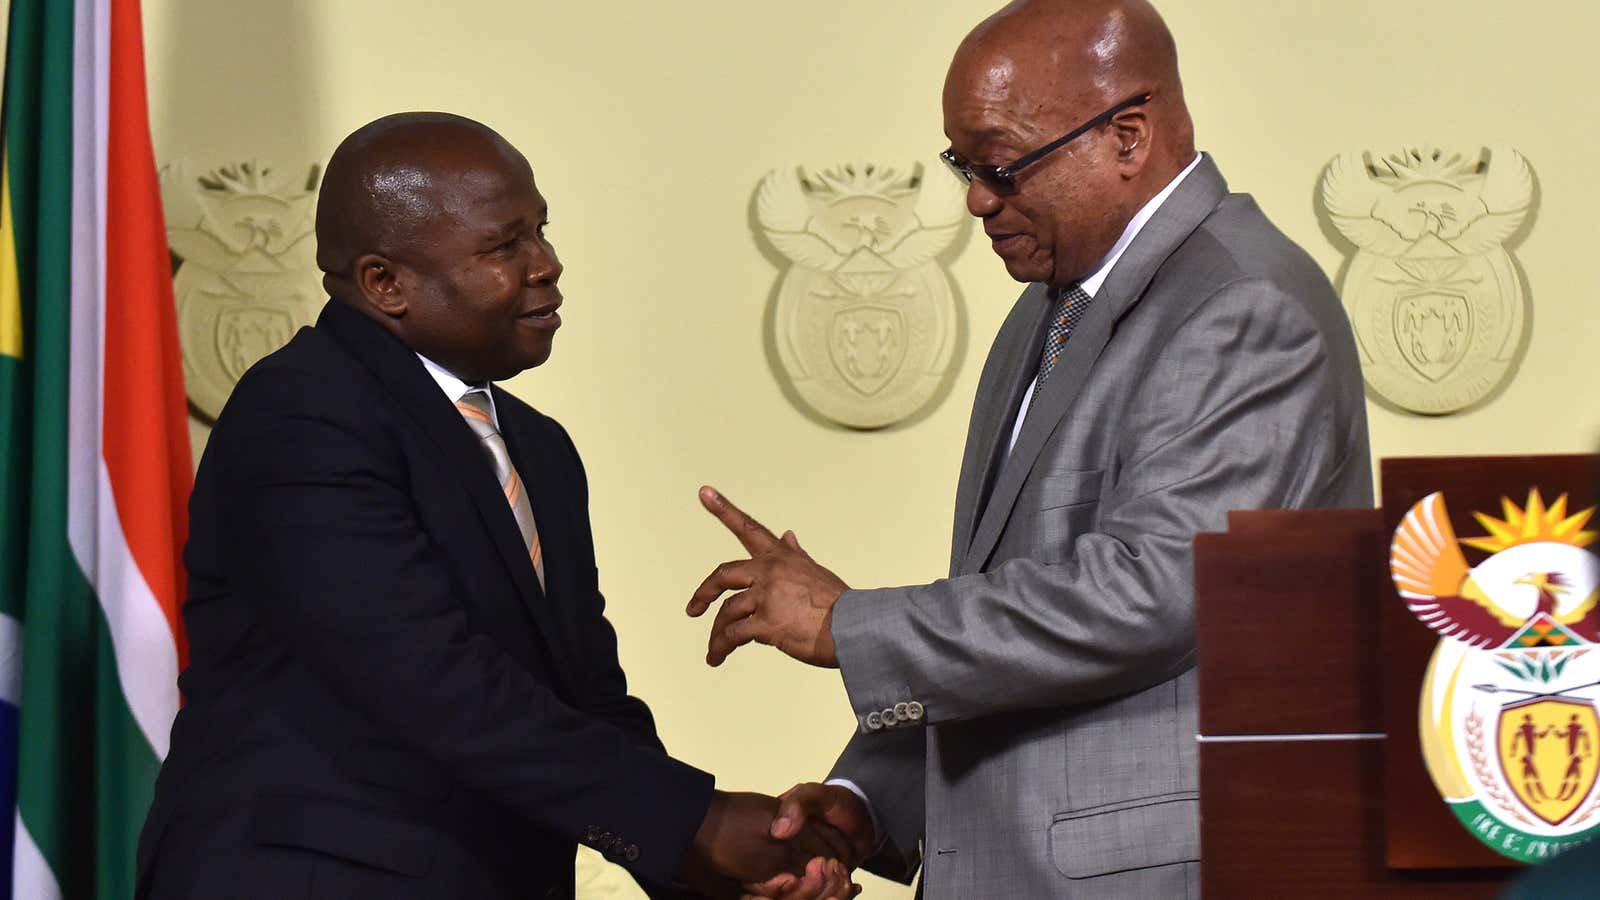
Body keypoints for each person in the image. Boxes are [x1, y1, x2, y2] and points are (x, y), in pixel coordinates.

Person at [689, 1, 1373, 897]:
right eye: (963, 166)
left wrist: (848, 625)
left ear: (1128, 136)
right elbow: (1008, 600)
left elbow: (1153, 592)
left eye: (1002, 166)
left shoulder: (1244, 306)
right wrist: (873, 798)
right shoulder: (1046, 310)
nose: (976, 199)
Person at [135, 113, 854, 900]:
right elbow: (433, 680)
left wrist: (700, 869)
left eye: (541, 231)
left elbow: (581, 697)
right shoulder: (302, 415)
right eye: (504, 246)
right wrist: (698, 824)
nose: (548, 264)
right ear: (386, 283)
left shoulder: (537, 448)